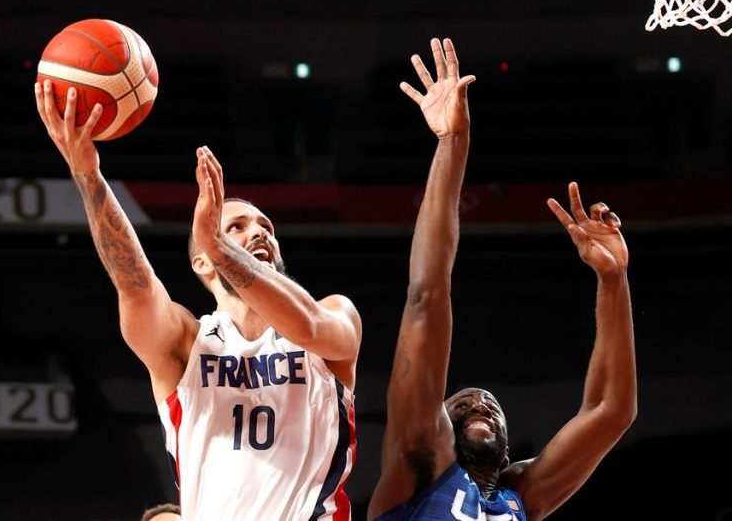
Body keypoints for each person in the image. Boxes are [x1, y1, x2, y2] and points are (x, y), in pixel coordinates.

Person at [34, 81, 362, 520]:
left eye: (265, 226)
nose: (260, 231)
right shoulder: (188, 342)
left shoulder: (332, 313)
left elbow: (313, 328)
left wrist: (221, 246)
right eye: (237, 227)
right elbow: (134, 282)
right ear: (202, 264)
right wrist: (88, 175)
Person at [367, 37, 637, 521]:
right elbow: (427, 296)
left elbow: (609, 411)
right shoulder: (416, 467)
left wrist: (613, 282)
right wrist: (453, 143)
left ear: (510, 453)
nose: (480, 404)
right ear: (436, 429)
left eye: (488, 407)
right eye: (463, 406)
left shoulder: (519, 498)